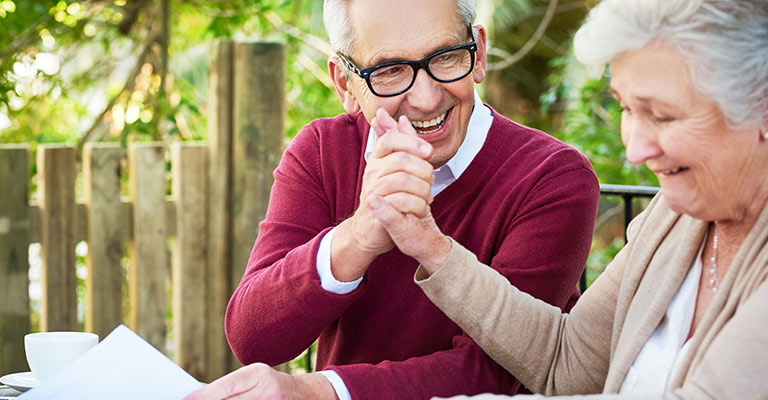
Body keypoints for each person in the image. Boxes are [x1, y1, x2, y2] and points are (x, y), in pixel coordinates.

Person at [364, 0, 768, 398]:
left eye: (661, 115)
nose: (636, 149)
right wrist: (428, 242)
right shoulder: (677, 217)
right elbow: (566, 364)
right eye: (627, 109)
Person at [190, 0, 599, 399]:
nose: (425, 98)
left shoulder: (552, 176)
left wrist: (318, 392)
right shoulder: (321, 151)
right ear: (345, 84)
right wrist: (359, 235)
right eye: (389, 71)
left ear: (478, 55)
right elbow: (254, 338)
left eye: (445, 57)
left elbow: (495, 371)